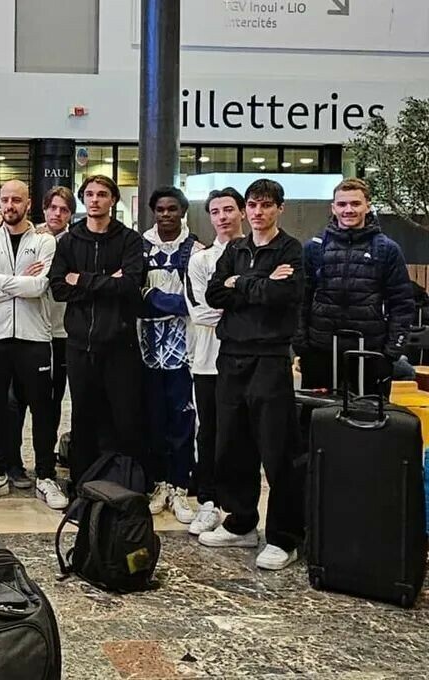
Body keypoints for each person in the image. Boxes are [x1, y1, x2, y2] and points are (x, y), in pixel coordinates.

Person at [199, 178, 305, 571]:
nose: (258, 212)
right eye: (253, 205)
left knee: (277, 451)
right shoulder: (236, 249)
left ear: (278, 208)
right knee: (233, 443)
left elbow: (283, 296)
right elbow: (214, 294)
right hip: (232, 357)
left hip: (270, 358)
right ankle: (241, 521)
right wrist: (254, 284)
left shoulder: (291, 249)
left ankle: (283, 537)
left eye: (266, 205)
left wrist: (239, 285)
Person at [0, 180, 64, 509]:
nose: (10, 205)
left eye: (16, 200)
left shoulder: (45, 242)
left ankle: (46, 475)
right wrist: (13, 285)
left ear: (28, 202)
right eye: (5, 200)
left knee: (42, 407)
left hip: (34, 338)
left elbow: (39, 287)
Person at [47, 175, 146, 487]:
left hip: (119, 345)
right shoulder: (70, 241)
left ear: (112, 200)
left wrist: (84, 280)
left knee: (124, 418)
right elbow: (59, 287)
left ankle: (124, 485)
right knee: (83, 418)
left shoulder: (129, 240)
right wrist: (106, 281)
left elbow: (130, 285)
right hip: (79, 345)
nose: (95, 200)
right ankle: (83, 486)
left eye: (102, 194)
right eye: (89, 194)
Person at [296, 177, 415, 398]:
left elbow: (402, 303)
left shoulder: (387, 249)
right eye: (342, 204)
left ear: (367, 205)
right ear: (333, 208)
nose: (348, 210)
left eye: (355, 204)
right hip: (321, 352)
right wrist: (302, 346)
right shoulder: (313, 248)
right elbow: (300, 299)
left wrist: (391, 353)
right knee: (317, 421)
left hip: (370, 352)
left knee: (368, 423)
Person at [139, 187, 203, 521]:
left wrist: (155, 297)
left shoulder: (196, 250)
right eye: (160, 209)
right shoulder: (140, 247)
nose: (166, 214)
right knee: (153, 418)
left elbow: (196, 302)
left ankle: (180, 485)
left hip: (184, 349)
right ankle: (159, 483)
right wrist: (161, 301)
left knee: (182, 418)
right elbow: (133, 295)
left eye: (172, 209)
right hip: (146, 346)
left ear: (182, 211)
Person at [185, 187, 245, 536]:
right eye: (215, 211)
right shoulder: (200, 259)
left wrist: (238, 299)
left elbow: (268, 304)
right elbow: (200, 312)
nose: (222, 217)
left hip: (245, 361)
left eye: (228, 209)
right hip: (207, 361)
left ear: (241, 212)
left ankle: (237, 506)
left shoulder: (256, 254)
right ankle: (207, 501)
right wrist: (244, 304)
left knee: (240, 436)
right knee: (208, 432)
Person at [35, 186, 75, 483]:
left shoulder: (76, 242)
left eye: (63, 209)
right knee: (22, 400)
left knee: (54, 399)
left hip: (64, 331)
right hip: (32, 331)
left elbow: (69, 284)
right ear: (44, 209)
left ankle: (49, 460)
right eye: (53, 208)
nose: (57, 214)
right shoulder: (30, 238)